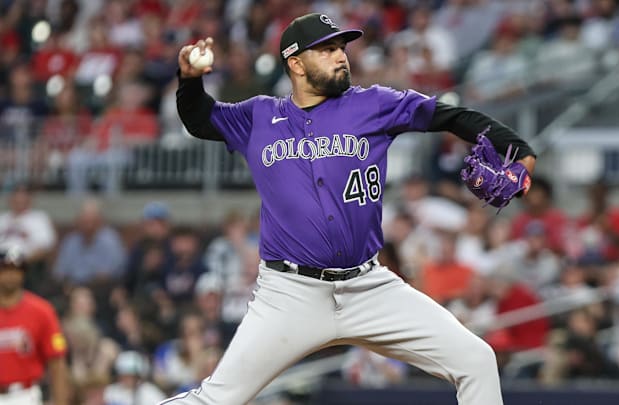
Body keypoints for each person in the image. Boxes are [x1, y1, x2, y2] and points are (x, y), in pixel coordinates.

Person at [164, 13, 536, 404]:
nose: (341, 57)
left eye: (341, 48)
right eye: (326, 50)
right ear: (295, 63)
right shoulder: (258, 116)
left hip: (369, 287)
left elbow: (451, 115)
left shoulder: (373, 104)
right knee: (216, 399)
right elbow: (200, 120)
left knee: (475, 359)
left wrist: (522, 153)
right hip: (290, 294)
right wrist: (190, 80)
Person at [0, 245, 70, 405]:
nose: (11, 275)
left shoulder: (41, 310)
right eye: (5, 269)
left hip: (24, 396)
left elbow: (57, 363)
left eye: (16, 270)